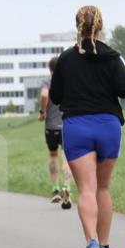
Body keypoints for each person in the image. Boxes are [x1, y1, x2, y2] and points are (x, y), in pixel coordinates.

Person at [50, 5, 125, 248]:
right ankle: (107, 245)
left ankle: (92, 243)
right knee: (103, 188)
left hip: (77, 125)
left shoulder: (65, 59)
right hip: (108, 126)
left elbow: (56, 96)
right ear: (100, 26)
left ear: (77, 25)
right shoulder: (112, 57)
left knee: (86, 189)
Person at [39, 56, 71, 209]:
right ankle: (67, 187)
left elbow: (44, 95)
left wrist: (42, 111)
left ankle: (56, 190)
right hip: (67, 126)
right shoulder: (68, 81)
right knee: (66, 157)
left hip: (51, 126)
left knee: (53, 156)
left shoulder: (47, 82)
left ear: (50, 68)